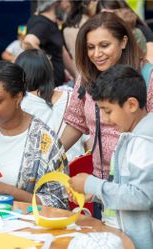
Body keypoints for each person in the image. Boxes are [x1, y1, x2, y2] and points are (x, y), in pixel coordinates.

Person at [60, 12, 153, 217]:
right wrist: (51, 155)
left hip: (136, 188)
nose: (96, 54)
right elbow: (76, 123)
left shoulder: (147, 77)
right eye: (90, 47)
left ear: (123, 42)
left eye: (104, 45)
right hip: (101, 190)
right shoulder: (86, 78)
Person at [0, 61, 69, 209]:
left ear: (18, 97)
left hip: (25, 227)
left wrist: (7, 191)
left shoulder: (44, 141)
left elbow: (59, 203)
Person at [69, 64, 153, 249]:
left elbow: (142, 196)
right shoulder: (131, 136)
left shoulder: (144, 140)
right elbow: (125, 188)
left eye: (108, 111)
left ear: (131, 104)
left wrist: (93, 184)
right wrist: (97, 194)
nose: (105, 120)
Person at [16, 49, 86, 162]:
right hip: (76, 171)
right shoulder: (73, 97)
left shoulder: (20, 104)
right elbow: (88, 142)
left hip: (42, 173)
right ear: (49, 71)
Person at [25, 0, 77, 86]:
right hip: (47, 89)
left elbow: (61, 51)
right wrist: (48, 65)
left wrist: (76, 76)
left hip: (56, 86)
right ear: (55, 3)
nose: (68, 5)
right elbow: (29, 41)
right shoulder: (42, 23)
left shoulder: (51, 23)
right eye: (66, 1)